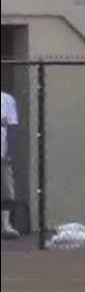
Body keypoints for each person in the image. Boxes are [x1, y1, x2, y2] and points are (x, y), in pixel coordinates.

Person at [2, 87, 20, 239]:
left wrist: (10, 152)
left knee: (6, 190)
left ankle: (5, 225)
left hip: (2, 153)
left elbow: (13, 128)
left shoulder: (7, 100)